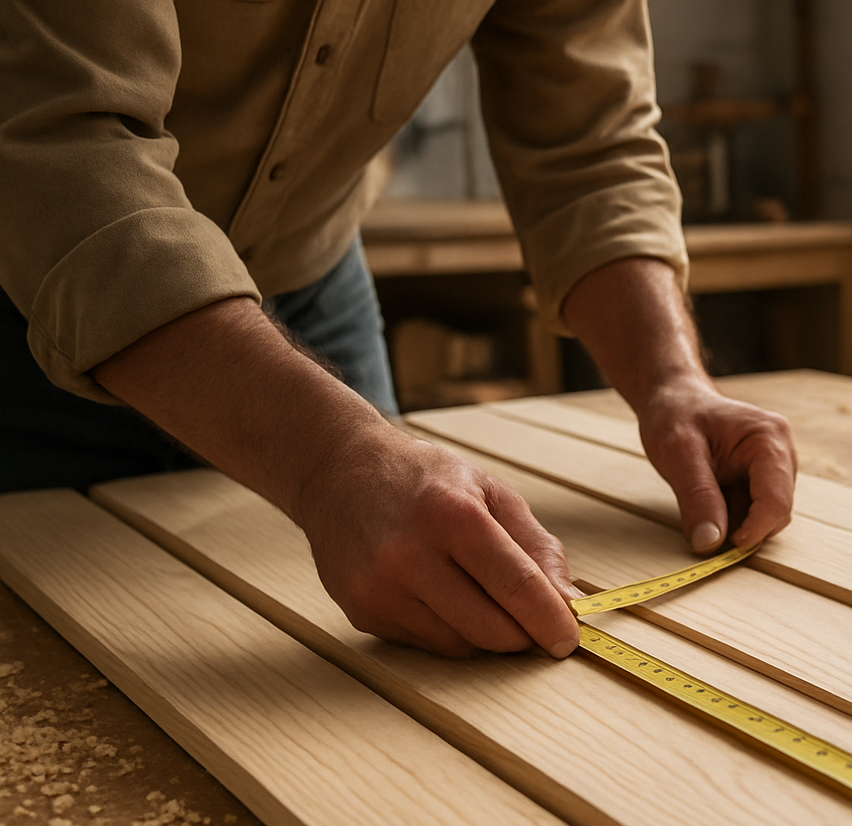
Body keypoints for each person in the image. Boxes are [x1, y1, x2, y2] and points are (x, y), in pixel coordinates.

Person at [0, 0, 796, 660]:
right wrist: (329, 457)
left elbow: (590, 140)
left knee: (405, 608)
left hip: (306, 273)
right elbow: (64, 155)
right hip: (25, 293)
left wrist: (671, 378)